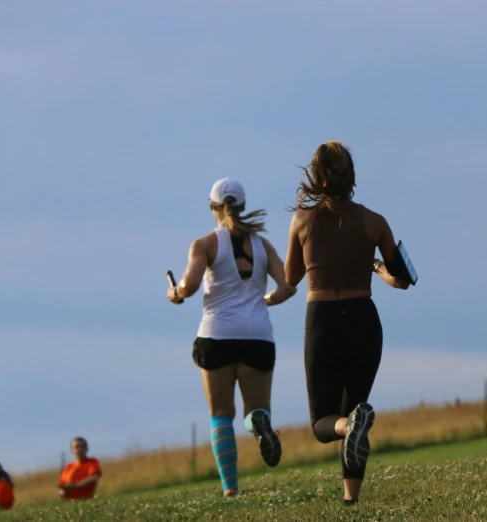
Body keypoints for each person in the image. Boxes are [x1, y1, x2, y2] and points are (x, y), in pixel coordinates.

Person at [283, 141, 410, 505]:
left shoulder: (302, 221)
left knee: (326, 423)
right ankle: (350, 499)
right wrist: (374, 265)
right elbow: (400, 281)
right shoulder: (375, 222)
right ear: (351, 175)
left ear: (316, 176)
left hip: (322, 322)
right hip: (363, 321)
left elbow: (291, 278)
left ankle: (347, 430)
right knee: (356, 408)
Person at [167, 177, 296, 496]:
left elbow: (190, 285)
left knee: (221, 415)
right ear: (243, 206)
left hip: (217, 335)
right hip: (258, 336)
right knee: (256, 409)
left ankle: (231, 489)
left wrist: (176, 292)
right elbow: (288, 286)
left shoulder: (205, 244)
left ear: (213, 208)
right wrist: (265, 300)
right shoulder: (263, 245)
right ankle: (259, 424)